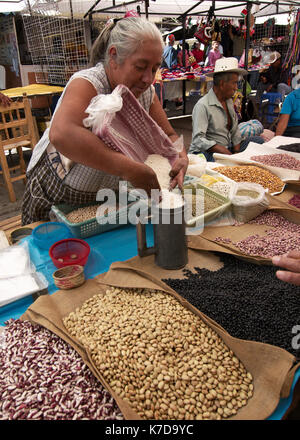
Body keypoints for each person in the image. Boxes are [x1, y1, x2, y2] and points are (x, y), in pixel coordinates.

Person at [21, 17, 188, 225]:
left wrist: (180, 158)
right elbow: (62, 133)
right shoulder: (89, 82)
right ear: (113, 56)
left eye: (154, 69)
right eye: (140, 67)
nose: (148, 78)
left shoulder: (145, 93)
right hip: (55, 193)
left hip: (103, 200)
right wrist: (129, 168)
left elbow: (170, 136)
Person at [189, 57, 264, 161]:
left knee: (258, 141)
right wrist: (224, 152)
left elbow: (235, 131)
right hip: (209, 151)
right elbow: (198, 139)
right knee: (209, 159)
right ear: (222, 84)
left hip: (227, 148)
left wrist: (236, 153)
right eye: (234, 83)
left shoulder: (228, 101)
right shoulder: (203, 105)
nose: (236, 87)